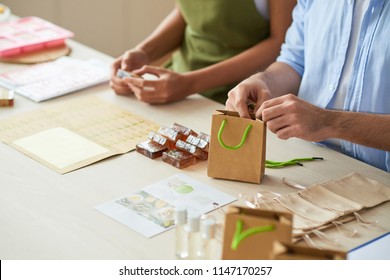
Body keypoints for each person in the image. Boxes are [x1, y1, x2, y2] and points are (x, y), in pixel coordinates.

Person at [225, 0, 390, 172]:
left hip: (380, 178)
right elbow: (294, 62)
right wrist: (263, 81)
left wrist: (328, 122)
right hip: (310, 162)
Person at [110, 0, 296, 104]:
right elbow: (185, 12)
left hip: (237, 96)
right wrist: (144, 52)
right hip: (174, 81)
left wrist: (189, 84)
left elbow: (280, 42)